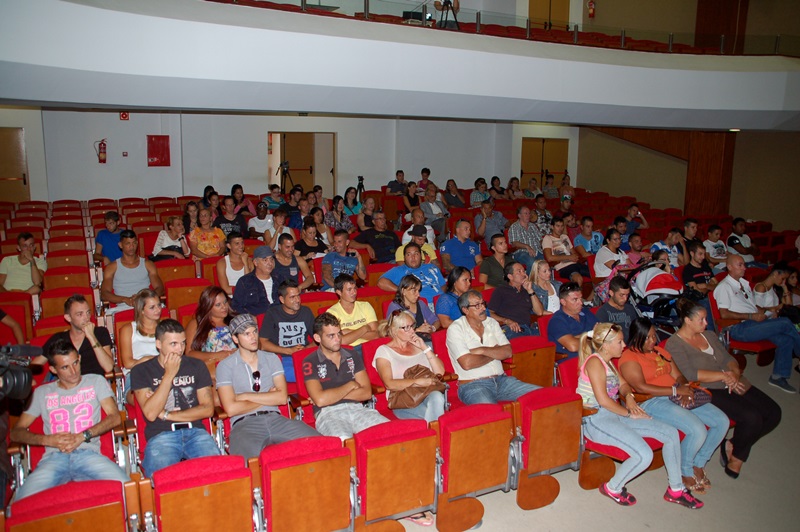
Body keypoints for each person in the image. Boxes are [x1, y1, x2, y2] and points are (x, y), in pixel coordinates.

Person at [576, 323, 702, 509]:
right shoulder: (595, 363)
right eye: (620, 342)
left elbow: (623, 384)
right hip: (595, 419)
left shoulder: (608, 361)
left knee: (670, 433)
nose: (624, 345)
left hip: (614, 412)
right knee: (644, 455)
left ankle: (676, 489)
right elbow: (603, 401)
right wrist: (630, 414)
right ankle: (613, 488)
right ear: (606, 345)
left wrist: (629, 397)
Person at [665, 299, 782, 479]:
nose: (706, 323)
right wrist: (723, 376)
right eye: (701, 320)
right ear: (687, 320)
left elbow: (728, 358)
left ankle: (733, 444)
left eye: (706, 319)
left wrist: (733, 373)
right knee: (752, 417)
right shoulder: (675, 343)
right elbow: (689, 374)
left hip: (732, 380)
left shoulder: (709, 335)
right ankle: (737, 458)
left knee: (773, 413)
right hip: (709, 388)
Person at [620, 317, 729, 494]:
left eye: (654, 336)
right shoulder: (629, 356)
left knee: (721, 421)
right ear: (636, 337)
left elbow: (679, 376)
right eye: (647, 338)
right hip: (653, 401)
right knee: (697, 429)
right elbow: (640, 387)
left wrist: (685, 389)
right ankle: (685, 471)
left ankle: (698, 463)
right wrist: (675, 391)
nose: (652, 341)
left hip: (678, 394)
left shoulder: (660, 352)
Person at [11, 339, 128, 500]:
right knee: (21, 503)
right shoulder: (42, 393)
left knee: (126, 488)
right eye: (65, 367)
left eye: (75, 363)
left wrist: (83, 436)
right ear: (53, 369)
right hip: (54, 458)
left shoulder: (95, 381)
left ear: (79, 358)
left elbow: (115, 417)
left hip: (88, 454)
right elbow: (16, 432)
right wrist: (47, 440)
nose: (73, 371)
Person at [216, 314, 319, 459]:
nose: (253, 337)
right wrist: (268, 397)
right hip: (244, 424)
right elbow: (231, 409)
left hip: (275, 419)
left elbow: (281, 398)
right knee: (248, 463)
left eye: (254, 331)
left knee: (320, 445)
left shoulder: (272, 358)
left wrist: (244, 396)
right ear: (235, 339)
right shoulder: (225, 366)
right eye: (246, 334)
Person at [131, 319, 220, 476]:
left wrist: (167, 414)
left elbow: (207, 409)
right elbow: (151, 413)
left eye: (183, 343)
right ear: (158, 344)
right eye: (173, 344)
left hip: (195, 432)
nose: (180, 349)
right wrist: (169, 374)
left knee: (216, 473)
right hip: (161, 436)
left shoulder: (197, 366)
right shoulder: (141, 371)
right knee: (163, 478)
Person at [713, 255, 800, 392]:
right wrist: (750, 316)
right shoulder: (724, 286)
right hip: (739, 328)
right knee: (785, 322)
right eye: (740, 265)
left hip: (754, 324)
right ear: (729, 267)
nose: (744, 268)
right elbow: (724, 314)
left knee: (786, 340)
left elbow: (754, 307)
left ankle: (778, 377)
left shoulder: (744, 284)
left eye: (744, 264)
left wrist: (769, 310)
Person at [303, 313, 389, 440]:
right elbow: (320, 400)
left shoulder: (352, 355)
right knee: (342, 440)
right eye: (331, 336)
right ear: (317, 338)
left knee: (389, 432)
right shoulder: (310, 361)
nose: (337, 339)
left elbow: (366, 393)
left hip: (357, 408)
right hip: (328, 413)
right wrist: (351, 385)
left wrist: (329, 396)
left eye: (339, 334)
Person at [446, 290, 540, 404]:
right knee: (492, 412)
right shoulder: (456, 329)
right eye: (477, 305)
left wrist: (482, 350)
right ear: (465, 310)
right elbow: (467, 363)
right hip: (473, 385)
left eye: (483, 303)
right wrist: (495, 353)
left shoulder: (492, 323)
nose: (483, 308)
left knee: (541, 395)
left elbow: (507, 352)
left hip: (502, 381)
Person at [375, 310, 446, 423]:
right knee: (433, 415)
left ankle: (435, 428)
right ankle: (437, 427)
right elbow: (389, 384)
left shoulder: (419, 346)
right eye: (406, 328)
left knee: (437, 397)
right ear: (394, 330)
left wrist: (425, 348)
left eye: (412, 326)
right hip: (404, 400)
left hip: (427, 393)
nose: (412, 331)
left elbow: (440, 372)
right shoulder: (384, 351)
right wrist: (417, 382)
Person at [37, 294, 114, 377]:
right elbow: (36, 364)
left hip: (94, 381)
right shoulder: (59, 338)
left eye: (88, 312)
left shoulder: (100, 332)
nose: (86, 318)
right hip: (67, 383)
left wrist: (92, 337)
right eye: (80, 314)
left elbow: (108, 367)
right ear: (68, 318)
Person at [259, 280, 316, 382]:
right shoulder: (272, 313)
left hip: (304, 355)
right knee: (293, 374)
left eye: (298, 296)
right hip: (283, 357)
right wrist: (289, 351)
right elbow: (263, 343)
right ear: (282, 299)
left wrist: (305, 349)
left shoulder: (306, 311)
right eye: (292, 297)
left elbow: (319, 338)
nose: (297, 300)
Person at [100, 230, 164, 312]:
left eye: (134, 243)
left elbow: (160, 288)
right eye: (128, 243)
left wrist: (143, 298)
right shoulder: (112, 267)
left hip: (146, 306)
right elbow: (104, 294)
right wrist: (125, 299)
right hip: (123, 308)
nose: (131, 246)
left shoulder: (148, 264)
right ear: (120, 245)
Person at [118, 289, 161, 402]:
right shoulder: (128, 329)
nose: (158, 310)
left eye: (159, 305)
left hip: (162, 371)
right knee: (145, 398)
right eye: (152, 307)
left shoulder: (165, 328)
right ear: (141, 310)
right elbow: (128, 363)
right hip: (138, 373)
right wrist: (149, 359)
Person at [378, 243, 446, 307]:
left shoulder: (432, 267)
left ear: (421, 256)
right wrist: (402, 291)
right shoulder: (399, 270)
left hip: (442, 302)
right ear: (404, 258)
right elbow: (381, 282)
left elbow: (443, 285)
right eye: (409, 254)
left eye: (416, 254)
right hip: (422, 305)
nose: (413, 257)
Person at [185, 286, 237, 367]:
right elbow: (189, 353)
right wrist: (220, 355)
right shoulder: (196, 323)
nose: (224, 307)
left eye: (225, 302)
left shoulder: (235, 321)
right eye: (218, 305)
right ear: (208, 307)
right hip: (210, 367)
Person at [328, 274, 380, 350]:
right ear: (339, 292)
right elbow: (341, 341)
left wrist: (349, 332)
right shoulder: (332, 313)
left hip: (369, 347)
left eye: (355, 288)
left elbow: (376, 335)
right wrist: (364, 328)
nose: (354, 292)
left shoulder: (365, 306)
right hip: (348, 351)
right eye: (349, 290)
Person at [487, 262, 539, 338]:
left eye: (524, 271)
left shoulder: (527, 290)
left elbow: (539, 312)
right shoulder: (501, 290)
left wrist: (530, 290)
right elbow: (489, 313)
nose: (524, 274)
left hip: (528, 328)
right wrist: (506, 321)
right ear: (510, 276)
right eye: (519, 271)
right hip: (510, 328)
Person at [547, 282, 598, 359]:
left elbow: (603, 333)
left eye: (581, 298)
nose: (581, 303)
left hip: (593, 357)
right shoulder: (557, 321)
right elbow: (573, 346)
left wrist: (579, 337)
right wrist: (592, 336)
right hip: (574, 361)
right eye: (575, 299)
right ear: (563, 302)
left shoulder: (585, 312)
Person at [231, 246, 280, 315]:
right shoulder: (245, 282)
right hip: (255, 318)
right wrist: (250, 317)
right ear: (255, 263)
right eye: (265, 260)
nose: (270, 263)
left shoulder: (279, 279)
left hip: (278, 316)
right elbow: (236, 307)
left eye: (271, 259)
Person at [542, 216, 590, 285]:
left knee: (596, 273)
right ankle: (577, 292)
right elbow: (549, 258)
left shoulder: (565, 237)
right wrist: (569, 257)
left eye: (562, 226)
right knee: (578, 279)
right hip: (563, 267)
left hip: (575, 264)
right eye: (558, 226)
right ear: (552, 227)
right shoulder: (548, 238)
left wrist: (575, 257)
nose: (560, 229)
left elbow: (574, 253)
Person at [682, 241, 717, 331]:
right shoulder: (688, 270)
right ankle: (711, 333)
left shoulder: (706, 267)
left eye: (704, 254)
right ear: (692, 254)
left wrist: (705, 286)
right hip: (699, 300)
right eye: (700, 254)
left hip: (713, 295)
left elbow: (717, 285)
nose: (703, 257)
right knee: (707, 303)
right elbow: (696, 291)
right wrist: (710, 287)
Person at [595, 276, 640, 341]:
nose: (625, 298)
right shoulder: (603, 312)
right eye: (621, 295)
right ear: (611, 293)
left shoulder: (630, 309)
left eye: (627, 295)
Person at [508, 206, 544, 274]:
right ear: (519, 215)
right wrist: (527, 246)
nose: (528, 215)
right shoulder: (514, 227)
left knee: (545, 262)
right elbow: (514, 243)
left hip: (537, 250)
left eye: (529, 213)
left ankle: (545, 280)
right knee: (532, 262)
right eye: (525, 213)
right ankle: (530, 280)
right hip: (522, 252)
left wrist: (547, 246)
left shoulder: (533, 226)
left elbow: (540, 240)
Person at [217, 232, 253, 296]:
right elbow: (226, 289)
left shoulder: (249, 260)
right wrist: (244, 289)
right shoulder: (222, 263)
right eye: (237, 243)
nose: (241, 246)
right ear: (229, 246)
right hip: (232, 298)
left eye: (242, 243)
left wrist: (245, 263)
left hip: (249, 296)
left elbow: (250, 283)